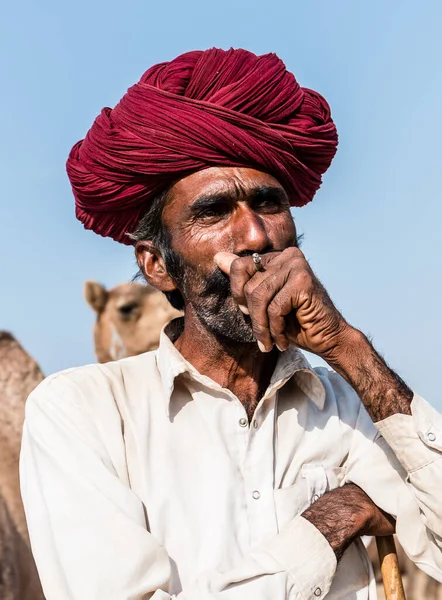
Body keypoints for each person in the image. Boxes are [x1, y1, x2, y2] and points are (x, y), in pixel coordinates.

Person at [20, 48, 442, 600]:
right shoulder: (83, 413)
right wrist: (329, 521)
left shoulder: (348, 408)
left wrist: (348, 348)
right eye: (214, 212)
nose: (254, 237)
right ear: (156, 265)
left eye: (268, 204)